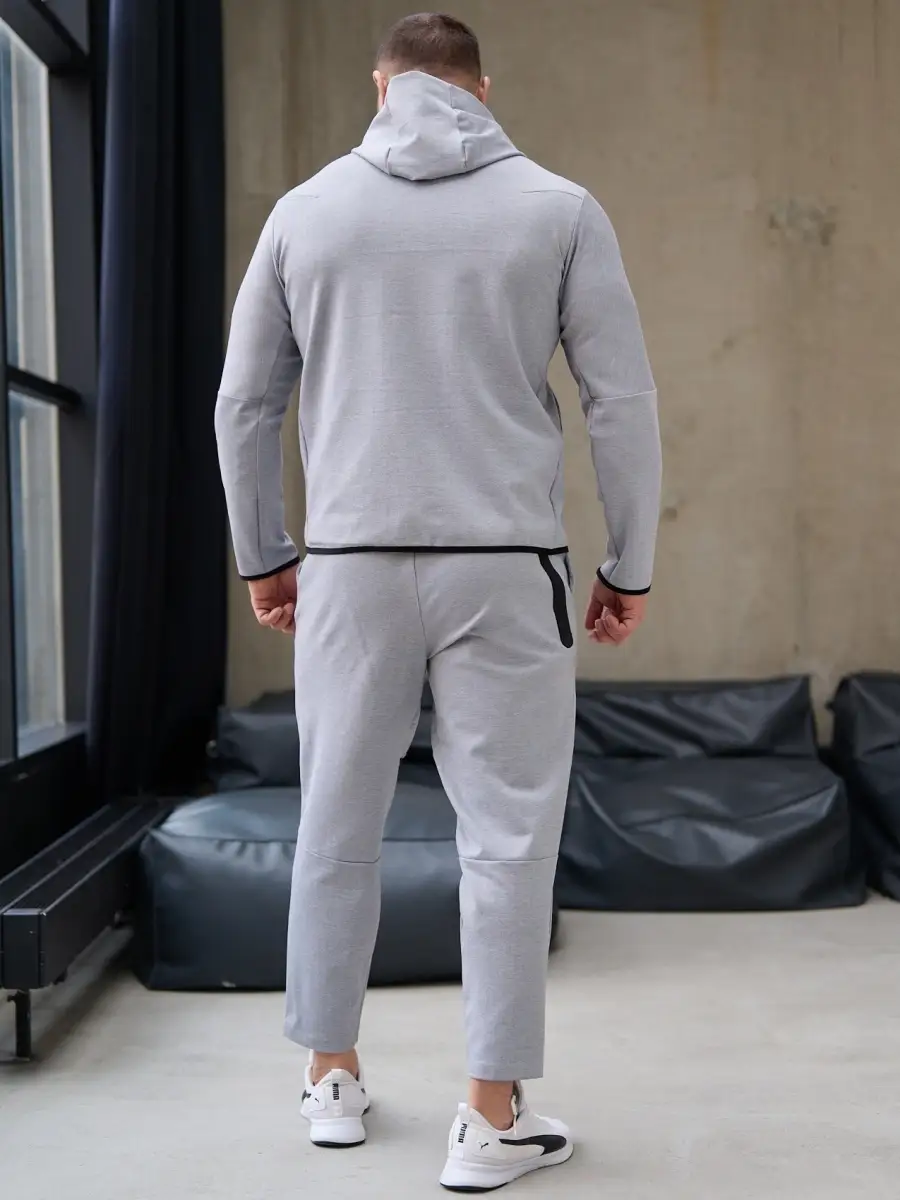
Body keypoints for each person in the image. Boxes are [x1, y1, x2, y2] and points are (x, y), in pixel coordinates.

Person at [215, 11, 660, 1192]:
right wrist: (629, 564)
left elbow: (245, 403)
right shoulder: (560, 209)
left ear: (383, 87)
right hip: (506, 566)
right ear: (482, 88)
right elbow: (620, 400)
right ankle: (490, 1114)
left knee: (335, 822)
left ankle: (329, 1077)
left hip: (348, 565)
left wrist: (264, 553)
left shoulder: (304, 212)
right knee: (506, 840)